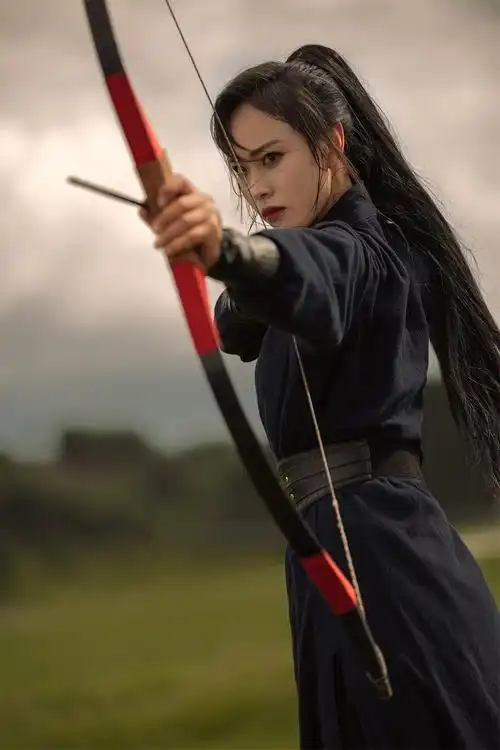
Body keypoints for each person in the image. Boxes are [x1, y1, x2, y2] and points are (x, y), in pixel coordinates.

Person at [142, 44, 500, 749]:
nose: (257, 185)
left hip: (387, 559)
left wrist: (226, 249)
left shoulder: (368, 250)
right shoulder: (312, 254)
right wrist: (231, 263)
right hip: (333, 552)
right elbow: (243, 317)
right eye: (243, 168)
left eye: (272, 158)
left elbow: (312, 271)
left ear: (331, 143)